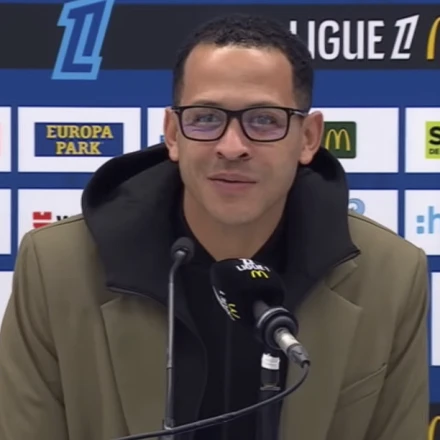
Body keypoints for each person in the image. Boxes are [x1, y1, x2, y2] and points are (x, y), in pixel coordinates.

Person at [0, 12, 429, 440]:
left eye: (264, 119)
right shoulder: (56, 267)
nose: (232, 146)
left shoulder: (391, 276)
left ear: (309, 138)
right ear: (173, 134)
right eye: (206, 118)